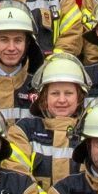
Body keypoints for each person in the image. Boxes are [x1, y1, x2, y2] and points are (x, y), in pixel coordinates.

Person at [0, 3, 47, 158]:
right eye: (4, 40)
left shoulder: (41, 89)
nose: (11, 48)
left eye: (18, 40)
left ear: (28, 44)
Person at [21, 52, 87, 181]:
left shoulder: (91, 132)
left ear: (79, 98)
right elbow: (17, 176)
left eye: (68, 93)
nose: (62, 100)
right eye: (55, 93)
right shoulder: (24, 131)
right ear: (44, 98)